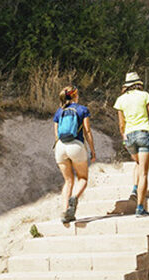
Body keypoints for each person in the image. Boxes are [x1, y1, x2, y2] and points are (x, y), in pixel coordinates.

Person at [113, 72, 149, 217]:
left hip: (129, 136)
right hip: (143, 133)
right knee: (143, 172)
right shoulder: (144, 95)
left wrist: (124, 137)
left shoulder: (120, 100)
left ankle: (134, 188)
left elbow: (121, 124)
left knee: (137, 162)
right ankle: (140, 208)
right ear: (138, 83)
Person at [52, 86, 96, 223]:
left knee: (68, 180)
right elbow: (87, 132)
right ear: (75, 95)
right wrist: (92, 151)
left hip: (60, 147)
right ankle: (75, 197)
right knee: (82, 178)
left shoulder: (59, 112)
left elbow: (56, 134)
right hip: (76, 146)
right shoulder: (83, 110)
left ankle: (65, 211)